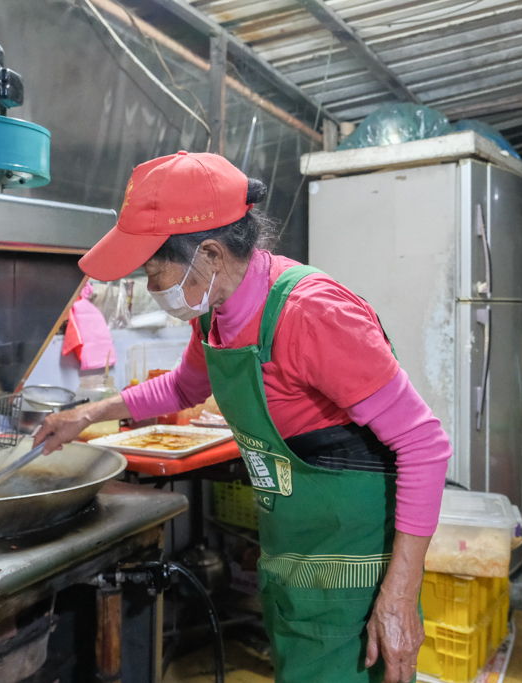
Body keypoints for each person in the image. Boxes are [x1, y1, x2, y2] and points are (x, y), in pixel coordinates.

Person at [33, 151, 452, 683]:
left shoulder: (312, 314)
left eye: (153, 271)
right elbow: (187, 386)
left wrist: (399, 595)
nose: (151, 287)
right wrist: (85, 414)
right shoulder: (214, 312)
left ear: (208, 253)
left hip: (356, 572)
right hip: (293, 554)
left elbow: (424, 445)